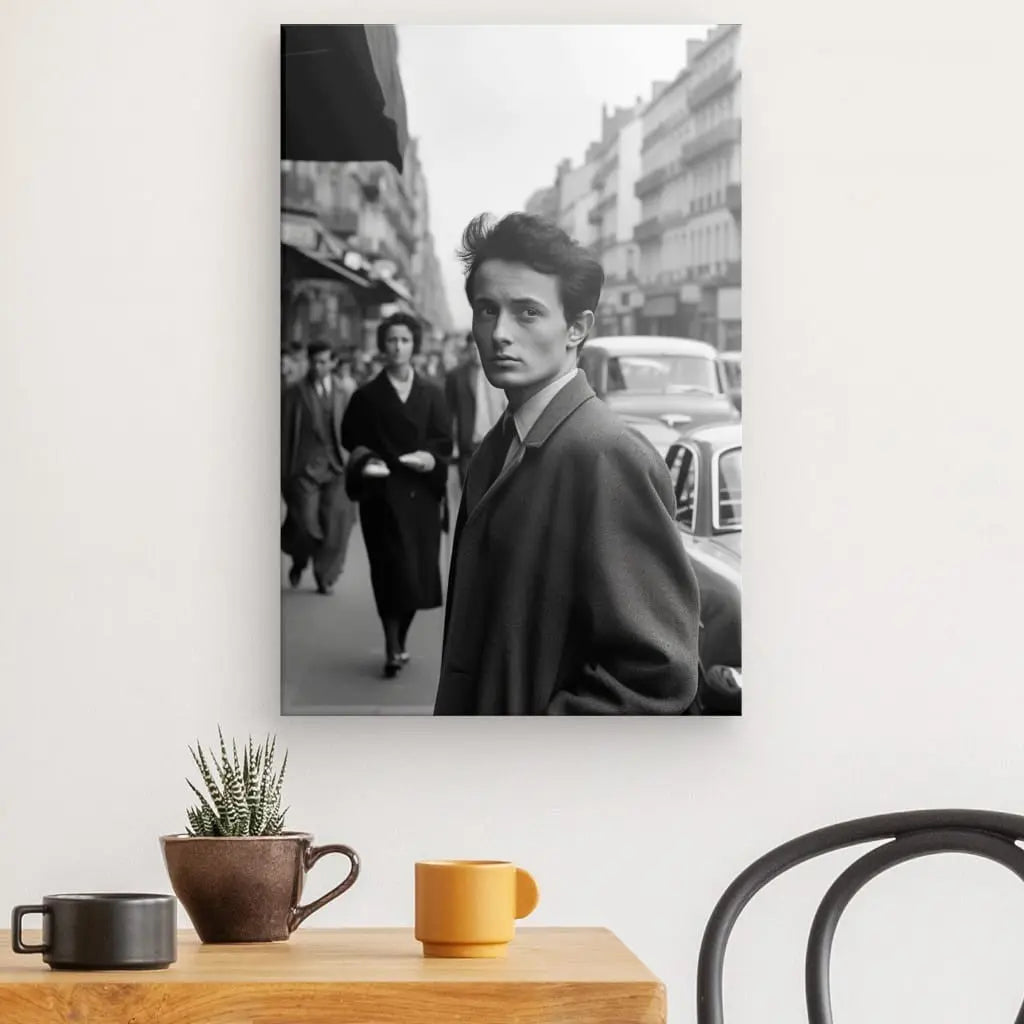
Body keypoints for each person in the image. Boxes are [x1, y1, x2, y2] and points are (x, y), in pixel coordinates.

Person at [434, 213, 700, 715]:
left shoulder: (607, 455)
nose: (499, 333)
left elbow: (657, 674)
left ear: (577, 328)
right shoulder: (499, 445)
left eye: (527, 312)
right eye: (486, 310)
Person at [342, 313, 453, 678]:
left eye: (405, 340)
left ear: (414, 346)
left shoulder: (433, 393)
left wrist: (429, 458)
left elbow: (442, 441)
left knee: (416, 575)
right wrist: (370, 459)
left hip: (421, 496)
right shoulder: (366, 396)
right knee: (390, 571)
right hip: (382, 495)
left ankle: (400, 638)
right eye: (391, 340)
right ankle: (392, 644)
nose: (398, 347)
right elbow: (351, 438)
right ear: (382, 346)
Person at [281, 341, 357, 595]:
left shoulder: (343, 391)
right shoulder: (293, 392)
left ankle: (325, 575)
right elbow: (283, 433)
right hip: (304, 470)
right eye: (315, 361)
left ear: (333, 362)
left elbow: (353, 431)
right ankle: (300, 559)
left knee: (336, 525)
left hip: (336, 467)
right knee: (305, 524)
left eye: (324, 361)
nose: (319, 366)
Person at [444, 332, 506, 486]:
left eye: (481, 348)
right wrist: (452, 446)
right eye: (473, 348)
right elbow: (448, 413)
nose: (477, 353)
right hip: (468, 447)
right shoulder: (456, 376)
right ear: (467, 350)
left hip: (497, 444)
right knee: (469, 496)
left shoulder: (501, 373)